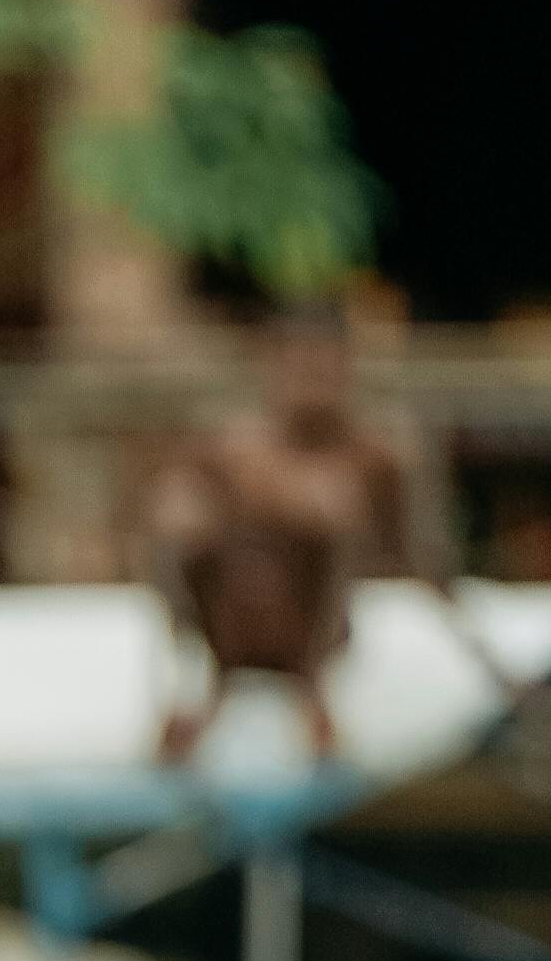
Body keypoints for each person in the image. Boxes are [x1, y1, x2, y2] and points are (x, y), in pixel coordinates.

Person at [149, 317, 407, 766]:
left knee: (333, 523)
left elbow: (414, 555)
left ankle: (312, 689)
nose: (312, 386)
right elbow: (169, 514)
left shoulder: (374, 454)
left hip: (316, 632)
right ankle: (197, 686)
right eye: (301, 368)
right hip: (227, 630)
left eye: (324, 371)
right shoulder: (232, 445)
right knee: (184, 530)